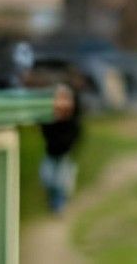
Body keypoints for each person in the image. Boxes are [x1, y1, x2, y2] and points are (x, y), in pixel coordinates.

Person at [39, 81, 82, 214]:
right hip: (51, 152)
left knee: (61, 180)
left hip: (64, 154)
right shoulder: (50, 119)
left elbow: (75, 136)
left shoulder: (73, 121)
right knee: (48, 178)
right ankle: (54, 202)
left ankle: (58, 205)